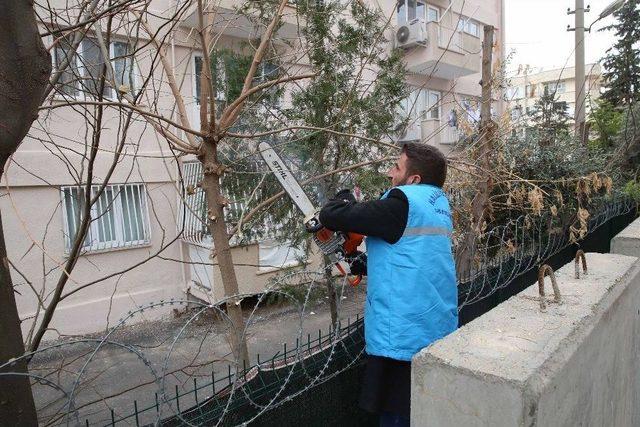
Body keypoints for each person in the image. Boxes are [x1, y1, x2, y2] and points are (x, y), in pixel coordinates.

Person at [318, 142, 458, 426]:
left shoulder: (401, 203)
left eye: (396, 167)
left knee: (398, 418)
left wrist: (344, 198)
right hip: (435, 326)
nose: (390, 173)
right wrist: (362, 262)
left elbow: (330, 215)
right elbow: (414, 257)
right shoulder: (438, 205)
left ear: (414, 179)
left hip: (403, 336)